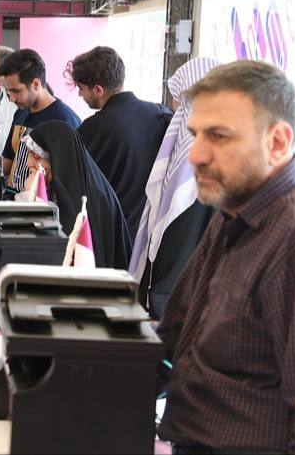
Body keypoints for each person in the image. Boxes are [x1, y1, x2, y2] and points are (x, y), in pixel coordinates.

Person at [157, 61, 295, 453]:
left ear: (277, 143)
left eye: (219, 137)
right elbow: (174, 338)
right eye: (196, 135)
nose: (196, 155)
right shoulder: (233, 211)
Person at [129, 57, 219, 318]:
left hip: (178, 287)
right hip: (174, 286)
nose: (174, 106)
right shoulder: (186, 143)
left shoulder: (202, 156)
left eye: (178, 98)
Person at [70, 46, 173, 236]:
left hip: (111, 235)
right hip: (152, 234)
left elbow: (76, 186)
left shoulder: (93, 129)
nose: (80, 95)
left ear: (98, 90)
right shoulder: (161, 115)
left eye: (81, 89)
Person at [21, 121, 132, 270]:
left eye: (36, 156)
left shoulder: (92, 199)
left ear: (58, 158)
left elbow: (63, 251)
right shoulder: (64, 185)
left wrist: (30, 195)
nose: (28, 163)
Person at [0, 48, 81, 193]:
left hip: (41, 204)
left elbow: (70, 179)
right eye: (7, 92)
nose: (11, 99)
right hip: (12, 199)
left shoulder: (65, 121)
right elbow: (8, 161)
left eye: (16, 91)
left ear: (36, 84)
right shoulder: (20, 114)